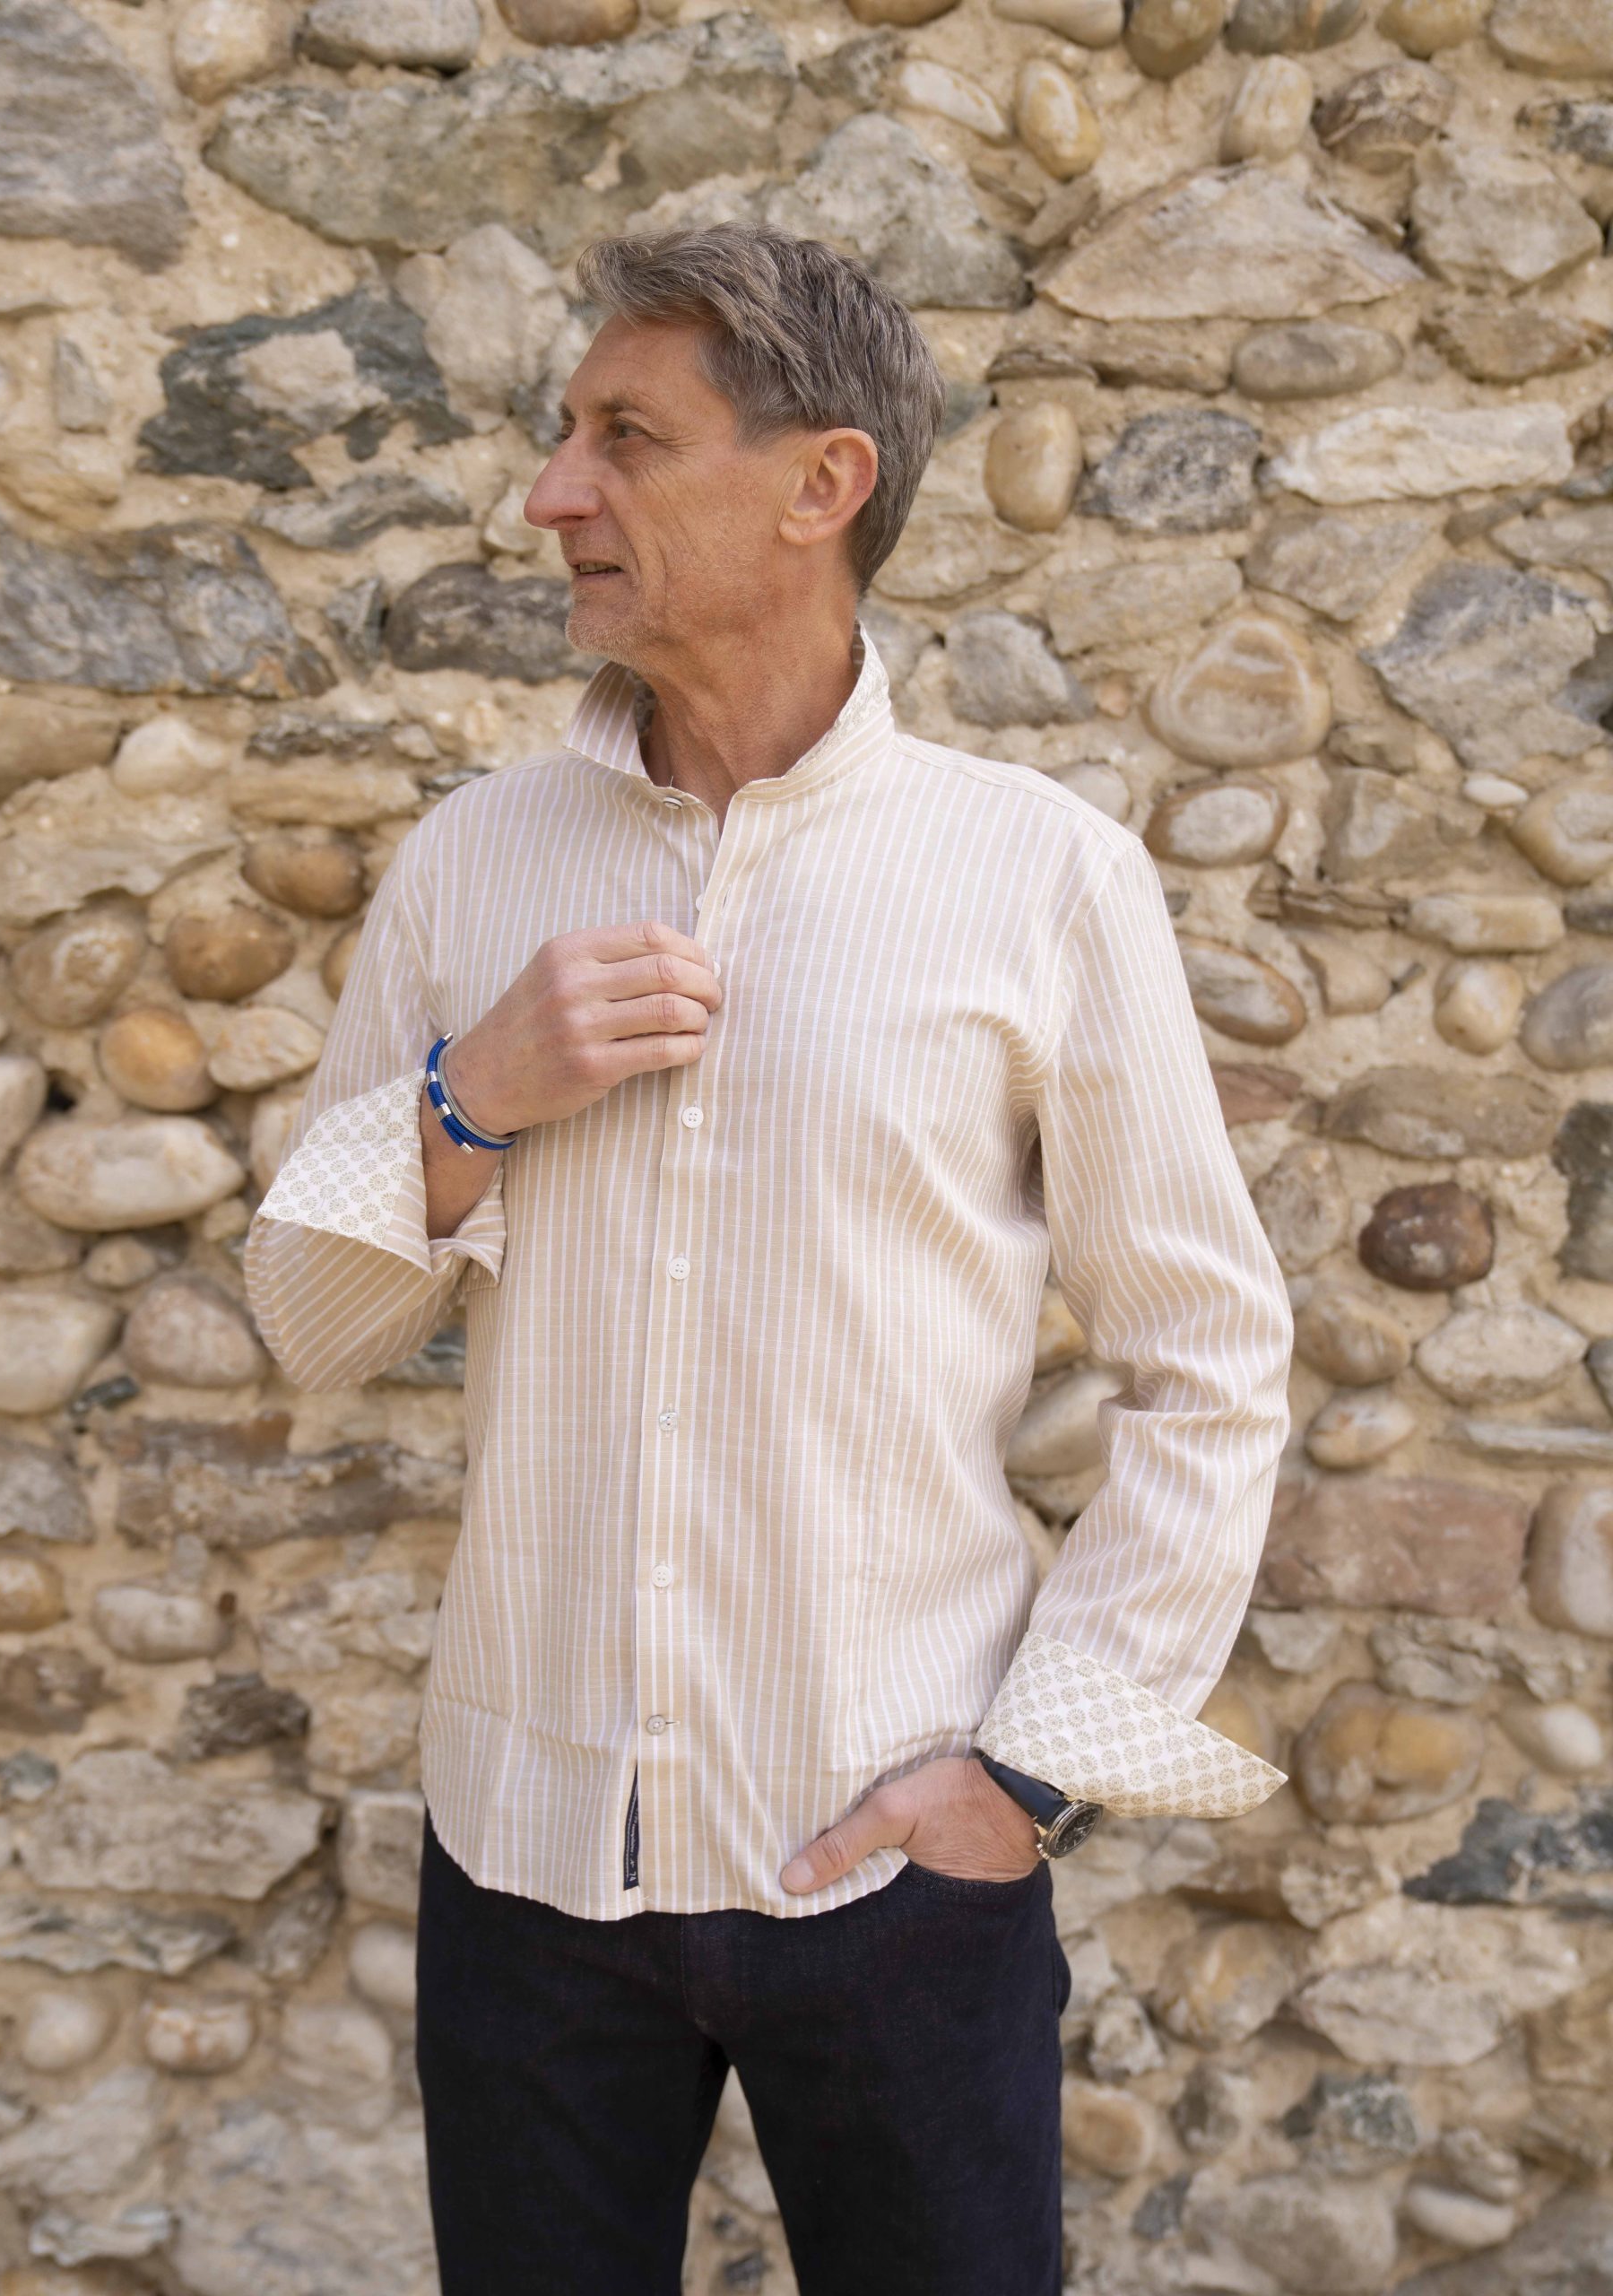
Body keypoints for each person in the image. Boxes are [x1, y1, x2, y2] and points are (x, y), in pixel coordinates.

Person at [245, 222, 1296, 2296]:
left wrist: (1025, 1772)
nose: (551, 493)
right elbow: (310, 1323)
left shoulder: (1040, 876)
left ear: (823, 483)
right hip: (526, 1860)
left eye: (624, 437)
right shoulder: (474, 859)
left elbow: (1204, 1355)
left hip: (898, 1862)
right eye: (564, 434)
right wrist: (468, 1098)